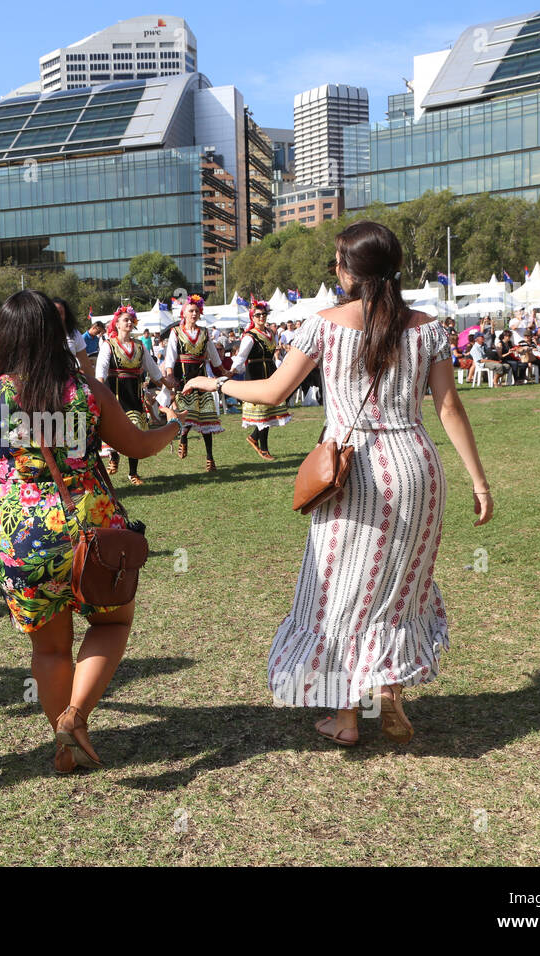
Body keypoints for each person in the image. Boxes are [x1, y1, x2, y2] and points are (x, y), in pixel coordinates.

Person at [185, 221, 493, 747]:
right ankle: (388, 694)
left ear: (352, 270)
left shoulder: (324, 324)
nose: (334, 269)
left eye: (337, 261)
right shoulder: (430, 328)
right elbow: (449, 407)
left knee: (340, 590)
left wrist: (214, 382)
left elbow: (275, 391)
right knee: (398, 586)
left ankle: (347, 717)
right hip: (418, 467)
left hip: (356, 470)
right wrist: (480, 482)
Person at [0, 290, 187, 773]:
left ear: (6, 337)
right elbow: (139, 443)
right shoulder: (87, 393)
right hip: (91, 527)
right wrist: (174, 426)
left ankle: (64, 745)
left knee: (50, 648)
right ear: (59, 334)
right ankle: (76, 716)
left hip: (22, 535)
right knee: (111, 623)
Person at [95, 305, 167, 485]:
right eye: (125, 319)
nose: (129, 322)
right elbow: (101, 372)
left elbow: (153, 370)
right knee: (113, 428)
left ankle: (133, 473)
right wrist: (99, 391)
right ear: (116, 324)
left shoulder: (139, 346)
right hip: (115, 395)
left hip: (134, 395)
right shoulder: (108, 345)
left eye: (130, 320)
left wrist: (166, 384)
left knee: (135, 431)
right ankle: (113, 456)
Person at [163, 295, 224, 471]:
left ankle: (210, 458)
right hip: (183, 378)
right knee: (186, 415)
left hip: (202, 378)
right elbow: (171, 355)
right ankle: (183, 438)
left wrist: (224, 372)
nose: (194, 314)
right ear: (184, 313)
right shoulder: (176, 332)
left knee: (206, 419)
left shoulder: (204, 333)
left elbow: (213, 355)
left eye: (197, 311)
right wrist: (169, 374)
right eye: (191, 311)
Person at [232, 305, 292, 460]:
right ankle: (263, 448)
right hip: (256, 372)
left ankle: (254, 437)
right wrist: (232, 370)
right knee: (263, 411)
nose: (261, 317)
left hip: (270, 371)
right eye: (258, 315)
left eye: (264, 314)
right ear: (253, 317)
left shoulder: (271, 333)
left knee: (269, 411)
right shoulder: (249, 336)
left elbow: (275, 351)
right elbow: (241, 356)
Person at [53, 298, 92, 372]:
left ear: (66, 315)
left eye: (60, 313)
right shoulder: (41, 335)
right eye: (53, 313)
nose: (56, 316)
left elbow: (86, 365)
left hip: (69, 379)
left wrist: (92, 382)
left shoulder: (74, 334)